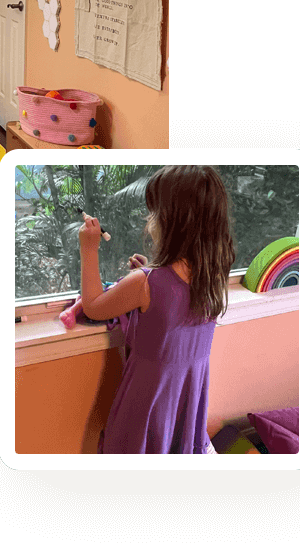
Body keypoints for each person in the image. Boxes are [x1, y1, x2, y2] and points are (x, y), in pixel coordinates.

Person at [60, 165, 235, 454]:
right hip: (185, 411)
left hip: (145, 409)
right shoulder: (214, 276)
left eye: (154, 212)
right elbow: (174, 304)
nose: (148, 219)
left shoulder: (147, 283)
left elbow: (92, 307)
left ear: (172, 222)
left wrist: (89, 249)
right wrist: (149, 276)